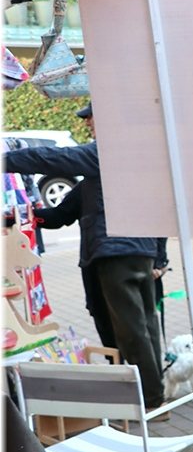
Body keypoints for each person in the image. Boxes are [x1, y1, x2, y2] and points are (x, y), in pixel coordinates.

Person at [3, 103, 168, 407]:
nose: (87, 124)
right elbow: (61, 215)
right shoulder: (113, 166)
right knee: (141, 326)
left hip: (116, 253)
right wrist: (16, 217)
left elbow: (54, 158)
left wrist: (6, 159)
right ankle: (145, 393)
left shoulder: (108, 151)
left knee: (131, 330)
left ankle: (150, 400)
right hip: (132, 252)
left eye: (90, 118)